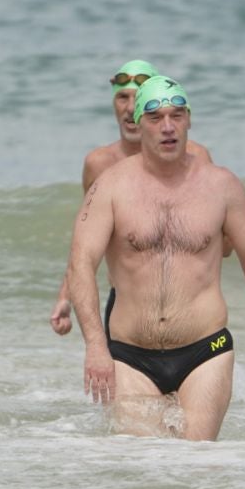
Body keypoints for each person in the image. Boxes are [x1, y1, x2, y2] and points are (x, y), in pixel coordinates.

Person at [66, 76, 245, 440]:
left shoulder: (221, 185)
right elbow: (81, 264)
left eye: (177, 115)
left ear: (188, 120)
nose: (168, 127)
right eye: (155, 118)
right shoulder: (111, 186)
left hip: (207, 349)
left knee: (195, 464)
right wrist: (95, 346)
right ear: (139, 123)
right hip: (130, 356)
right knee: (148, 471)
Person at [48, 60, 216, 336]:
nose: (128, 108)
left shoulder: (197, 158)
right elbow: (87, 240)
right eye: (121, 97)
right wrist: (65, 297)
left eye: (137, 99)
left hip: (189, 306)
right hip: (126, 309)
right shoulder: (100, 164)